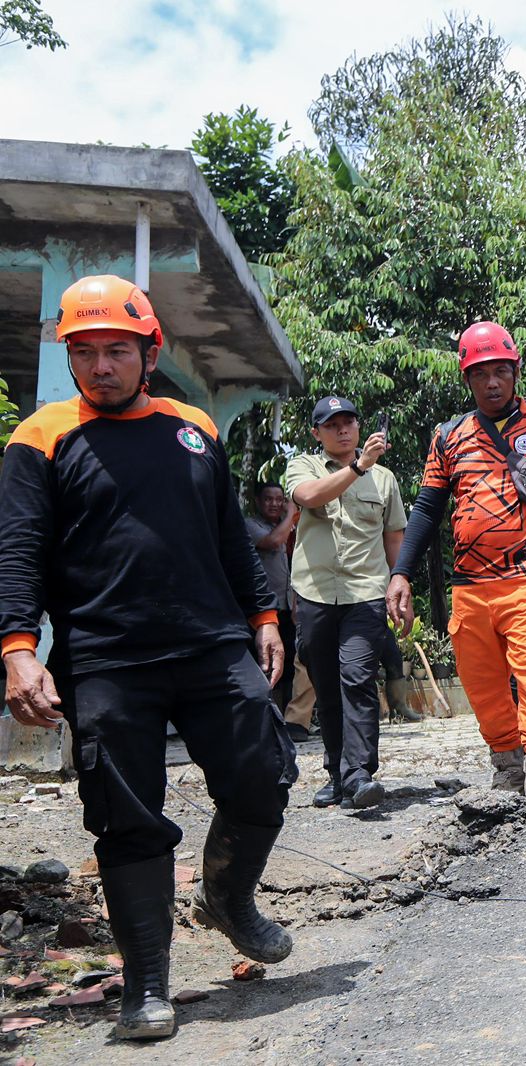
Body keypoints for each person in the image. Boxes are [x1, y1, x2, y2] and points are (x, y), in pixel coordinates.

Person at [0, 275, 295, 1041]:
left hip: (211, 646)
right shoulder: (40, 438)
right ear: (71, 359)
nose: (102, 366)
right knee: (128, 822)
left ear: (147, 351)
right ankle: (147, 986)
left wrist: (262, 612)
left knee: (262, 777)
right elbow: (18, 551)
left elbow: (229, 533)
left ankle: (229, 899)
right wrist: (18, 649)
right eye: (87, 352)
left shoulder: (192, 426)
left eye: (117, 351)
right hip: (107, 661)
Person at [387, 324, 526, 836]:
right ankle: (507, 770)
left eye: (500, 370)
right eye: (480, 373)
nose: (492, 382)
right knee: (482, 686)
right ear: (468, 378)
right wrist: (401, 574)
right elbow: (427, 507)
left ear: (515, 371)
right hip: (471, 584)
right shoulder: (448, 435)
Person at [285, 396, 407, 811]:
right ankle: (337, 772)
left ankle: (359, 774)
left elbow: (394, 536)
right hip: (315, 592)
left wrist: (399, 584)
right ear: (316, 433)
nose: (342, 430)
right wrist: (359, 468)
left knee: (357, 678)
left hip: (365, 593)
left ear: (358, 426)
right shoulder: (303, 466)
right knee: (327, 686)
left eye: (348, 422)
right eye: (331, 424)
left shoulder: (385, 479)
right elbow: (310, 497)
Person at [245, 482, 303, 734]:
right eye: (269, 499)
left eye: (280, 499)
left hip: (284, 606)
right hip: (260, 611)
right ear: (258, 501)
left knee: (289, 664)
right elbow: (272, 541)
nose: (275, 504)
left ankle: (287, 720)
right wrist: (291, 512)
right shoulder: (252, 525)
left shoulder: (287, 527)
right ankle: (258, 720)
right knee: (262, 665)